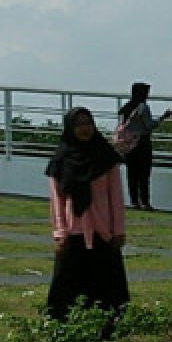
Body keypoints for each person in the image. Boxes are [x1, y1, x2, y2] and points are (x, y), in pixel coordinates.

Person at [45, 106, 130, 325]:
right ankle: (62, 329)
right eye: (78, 124)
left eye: (88, 123)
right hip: (73, 232)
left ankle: (109, 329)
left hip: (104, 233)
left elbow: (116, 198)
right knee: (66, 285)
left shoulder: (105, 158)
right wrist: (60, 232)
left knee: (106, 285)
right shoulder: (61, 160)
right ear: (70, 128)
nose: (84, 129)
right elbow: (57, 200)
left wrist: (118, 231)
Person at [117, 82, 172, 211]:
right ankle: (145, 202)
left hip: (129, 143)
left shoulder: (127, 106)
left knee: (132, 173)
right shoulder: (143, 107)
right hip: (142, 142)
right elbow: (149, 125)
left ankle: (134, 201)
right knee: (144, 173)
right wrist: (163, 118)